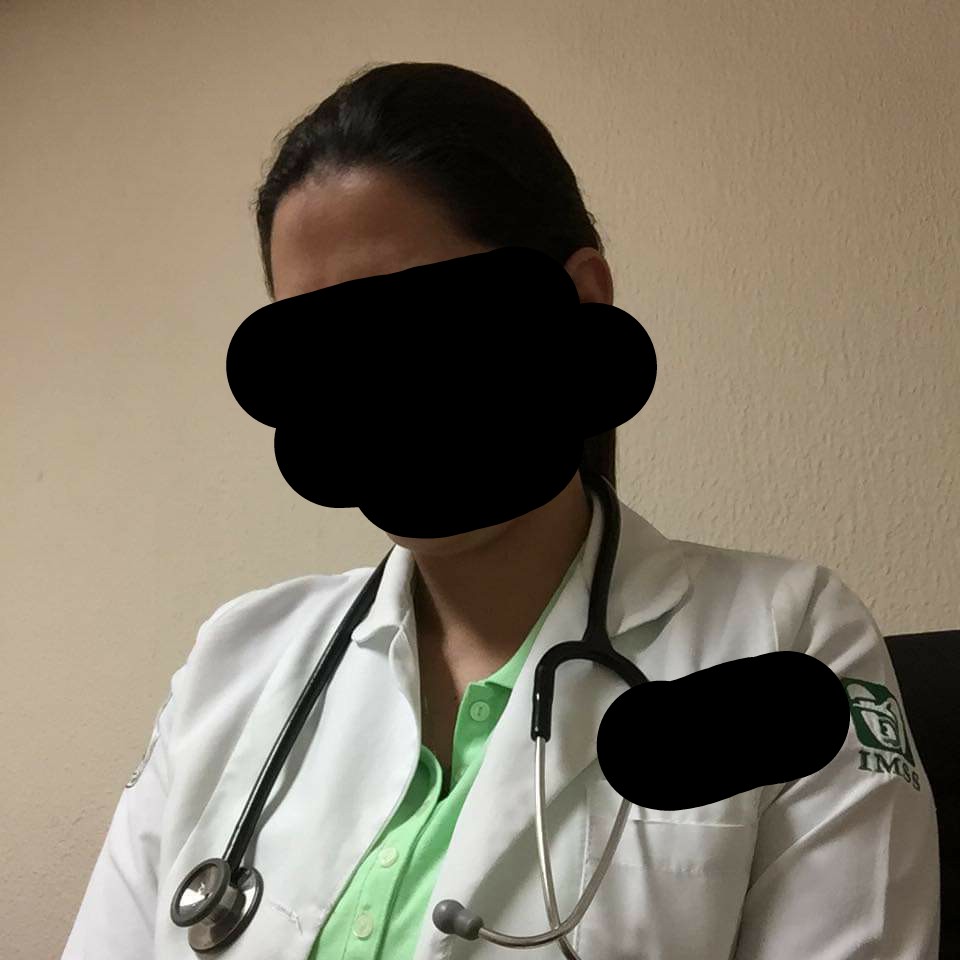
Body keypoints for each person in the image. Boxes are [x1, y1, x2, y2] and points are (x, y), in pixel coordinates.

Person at [62, 61, 940, 960]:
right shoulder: (234, 663)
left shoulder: (787, 639)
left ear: (578, 302)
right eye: (322, 353)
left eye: (416, 326)